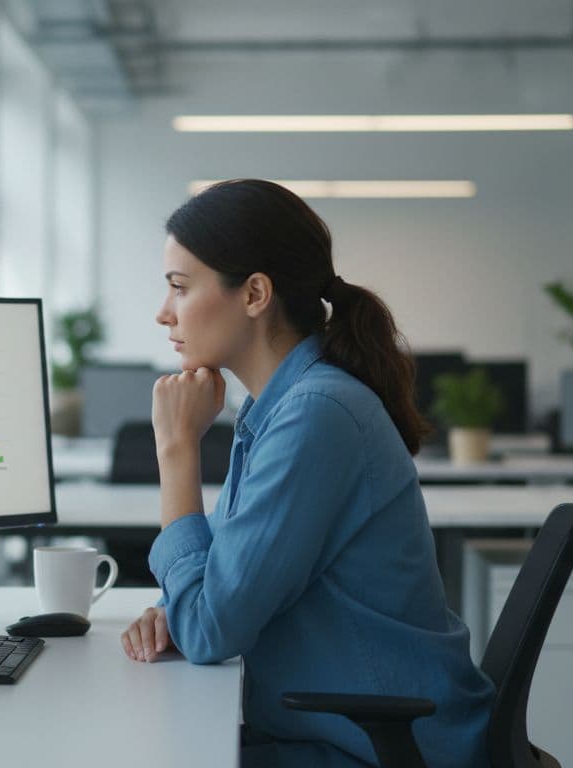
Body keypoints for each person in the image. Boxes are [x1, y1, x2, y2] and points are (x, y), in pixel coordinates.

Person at [119, 179, 494, 767]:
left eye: (179, 287)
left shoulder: (314, 417)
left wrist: (177, 449)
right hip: (339, 728)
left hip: (377, 748)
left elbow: (210, 629)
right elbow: (217, 585)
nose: (163, 312)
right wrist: (180, 606)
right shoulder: (286, 406)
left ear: (255, 293)